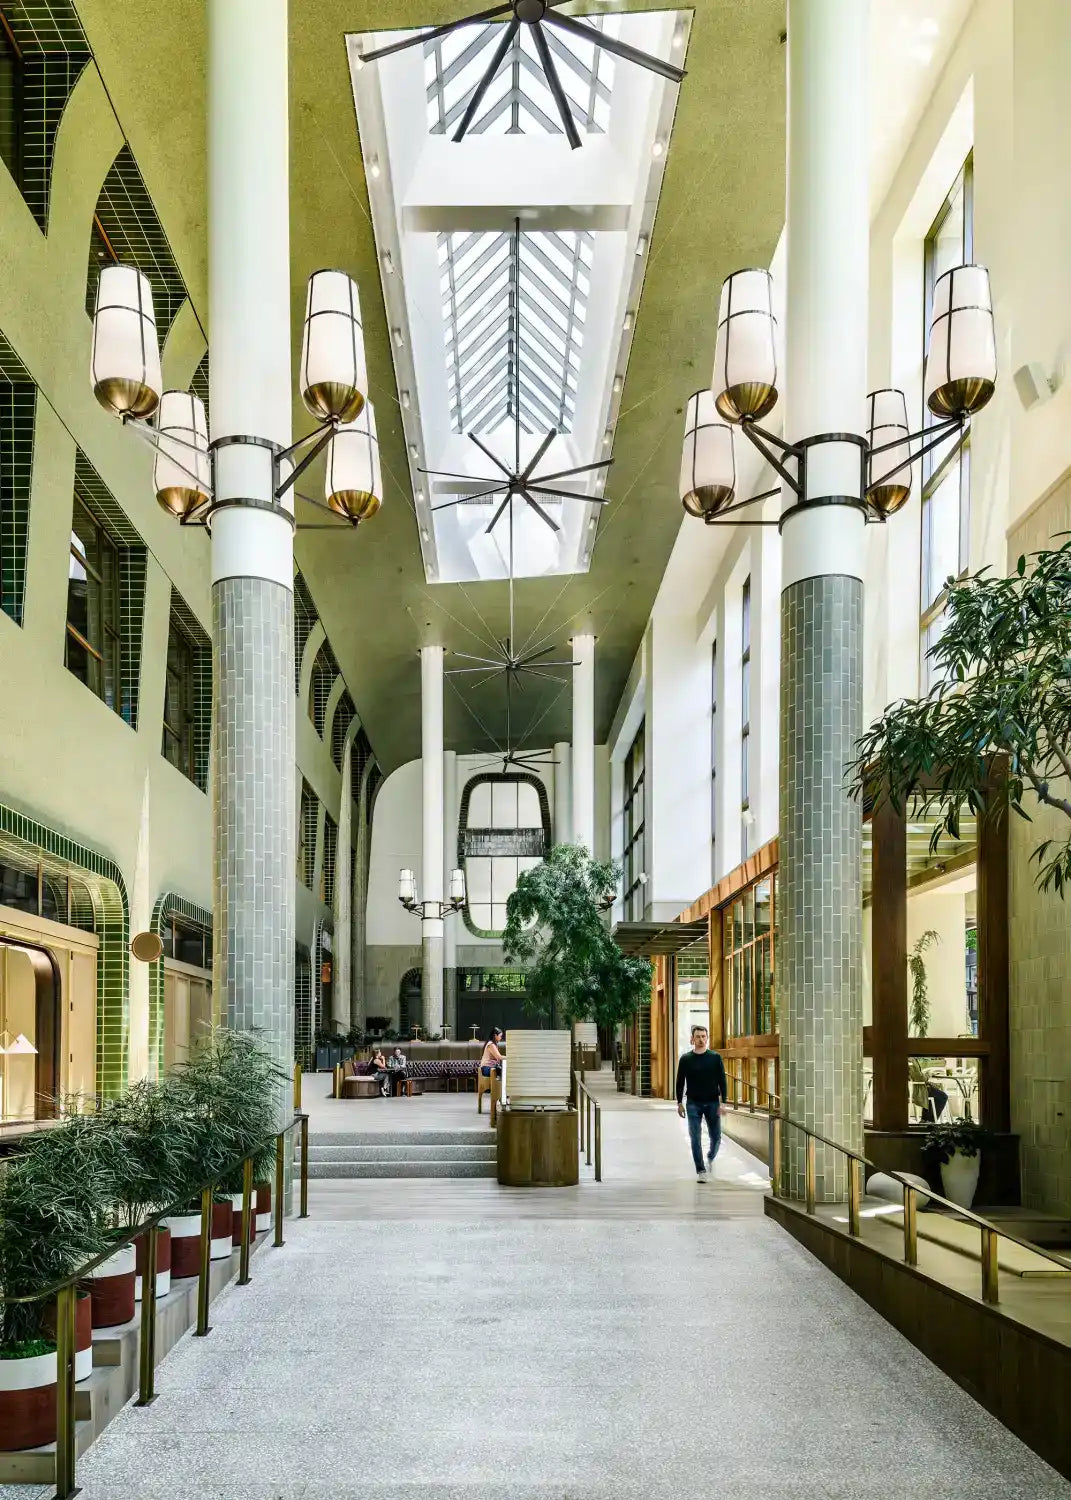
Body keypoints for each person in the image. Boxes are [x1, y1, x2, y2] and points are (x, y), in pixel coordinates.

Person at [675, 1025, 728, 1182]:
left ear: (707, 1038)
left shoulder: (715, 1057)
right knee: (695, 1137)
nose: (701, 1039)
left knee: (716, 1137)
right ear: (692, 1039)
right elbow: (679, 1082)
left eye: (703, 1036)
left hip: (712, 1102)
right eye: (698, 1036)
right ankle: (701, 1170)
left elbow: (722, 1081)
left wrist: (723, 1102)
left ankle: (710, 1156)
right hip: (693, 1103)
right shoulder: (685, 1059)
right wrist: (679, 1102)